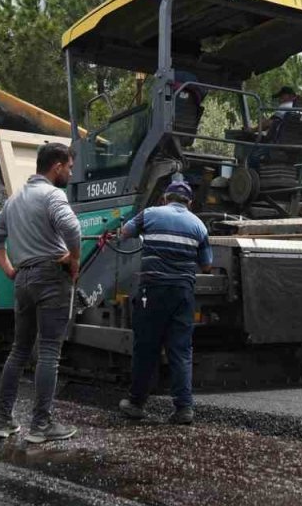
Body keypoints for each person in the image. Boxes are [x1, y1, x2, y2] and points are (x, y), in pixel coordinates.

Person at [0, 142, 81, 443]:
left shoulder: (14, 200)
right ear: (57, 167)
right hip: (51, 276)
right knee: (50, 351)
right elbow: (73, 229)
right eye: (69, 168)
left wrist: (9, 269)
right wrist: (74, 258)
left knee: (19, 350)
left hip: (23, 279)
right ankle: (41, 425)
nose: (70, 173)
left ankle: (3, 421)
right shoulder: (52, 195)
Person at [113, 177, 213, 426]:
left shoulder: (149, 214)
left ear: (165, 198)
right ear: (189, 203)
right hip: (182, 294)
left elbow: (124, 234)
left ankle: (136, 403)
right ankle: (184, 409)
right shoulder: (199, 226)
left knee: (146, 348)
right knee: (180, 350)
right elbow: (207, 265)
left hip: (153, 292)